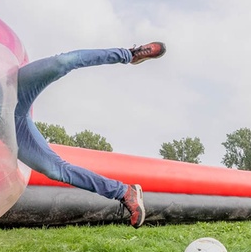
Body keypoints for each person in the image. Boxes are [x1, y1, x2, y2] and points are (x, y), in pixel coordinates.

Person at [15, 42, 166, 228]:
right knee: (54, 170)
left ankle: (129, 54)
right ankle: (125, 192)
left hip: (14, 91)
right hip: (0, 127)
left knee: (62, 62)